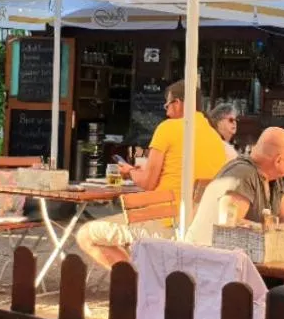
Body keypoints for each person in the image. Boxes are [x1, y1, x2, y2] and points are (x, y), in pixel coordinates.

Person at [76, 80, 227, 268]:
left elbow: (147, 182)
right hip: (200, 225)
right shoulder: (214, 136)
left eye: (167, 105)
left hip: (166, 222)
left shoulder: (168, 128)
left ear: (178, 104)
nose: (166, 112)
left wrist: (130, 172)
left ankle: (140, 283)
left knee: (86, 234)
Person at [187, 128, 284, 245]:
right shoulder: (242, 174)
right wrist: (281, 230)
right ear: (279, 161)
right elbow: (229, 225)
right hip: (212, 260)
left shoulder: (273, 177)